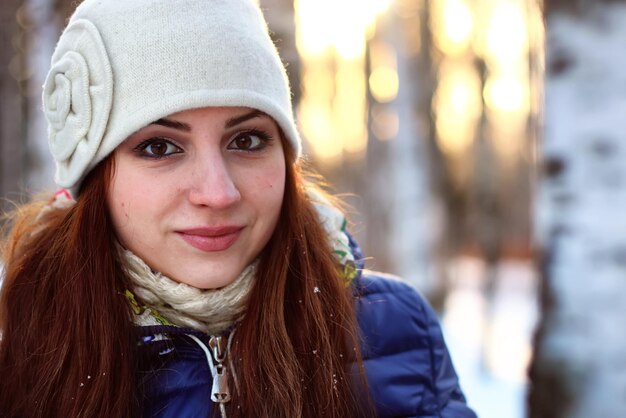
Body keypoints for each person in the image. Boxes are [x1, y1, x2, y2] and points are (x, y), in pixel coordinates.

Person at [0, 0, 476, 417]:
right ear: (97, 180)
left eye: (246, 140)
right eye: (160, 147)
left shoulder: (393, 332)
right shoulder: (21, 347)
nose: (218, 192)